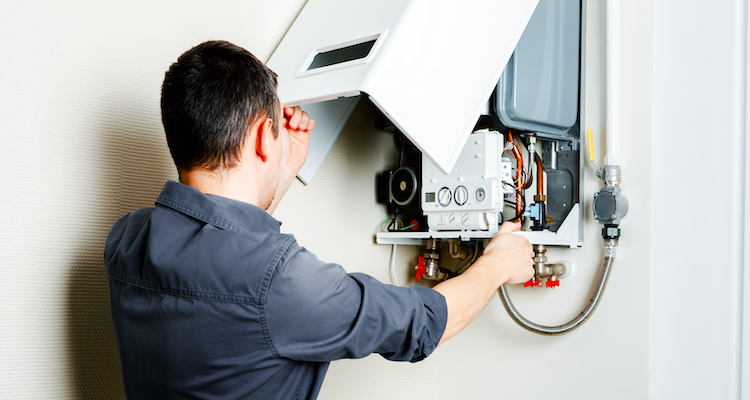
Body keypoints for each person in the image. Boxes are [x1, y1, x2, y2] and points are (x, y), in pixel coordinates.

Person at [105, 40, 533, 400]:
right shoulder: (280, 281)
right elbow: (424, 324)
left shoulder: (126, 240)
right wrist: (499, 264)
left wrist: (281, 168)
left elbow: (225, 253)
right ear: (259, 136)